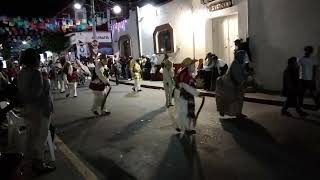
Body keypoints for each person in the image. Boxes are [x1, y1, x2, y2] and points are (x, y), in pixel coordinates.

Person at [17, 48, 56, 174]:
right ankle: (38, 163)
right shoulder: (35, 73)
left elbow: (24, 92)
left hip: (27, 109)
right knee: (40, 136)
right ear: (34, 59)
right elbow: (37, 94)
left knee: (31, 136)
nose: (39, 61)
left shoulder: (22, 72)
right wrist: (45, 83)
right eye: (38, 58)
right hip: (39, 110)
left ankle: (28, 161)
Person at [215, 50, 249, 119]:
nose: (245, 58)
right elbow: (236, 75)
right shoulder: (235, 63)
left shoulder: (239, 63)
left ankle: (238, 113)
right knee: (230, 99)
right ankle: (225, 111)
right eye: (244, 56)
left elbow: (241, 73)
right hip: (230, 85)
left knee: (238, 99)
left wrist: (246, 75)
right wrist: (242, 81)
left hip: (236, 84)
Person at [174, 58, 204, 135]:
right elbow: (187, 87)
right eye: (193, 65)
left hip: (186, 96)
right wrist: (197, 94)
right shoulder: (185, 74)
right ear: (189, 66)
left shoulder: (187, 73)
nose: (194, 66)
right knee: (185, 112)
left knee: (186, 112)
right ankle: (185, 128)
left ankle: (185, 127)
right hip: (183, 96)